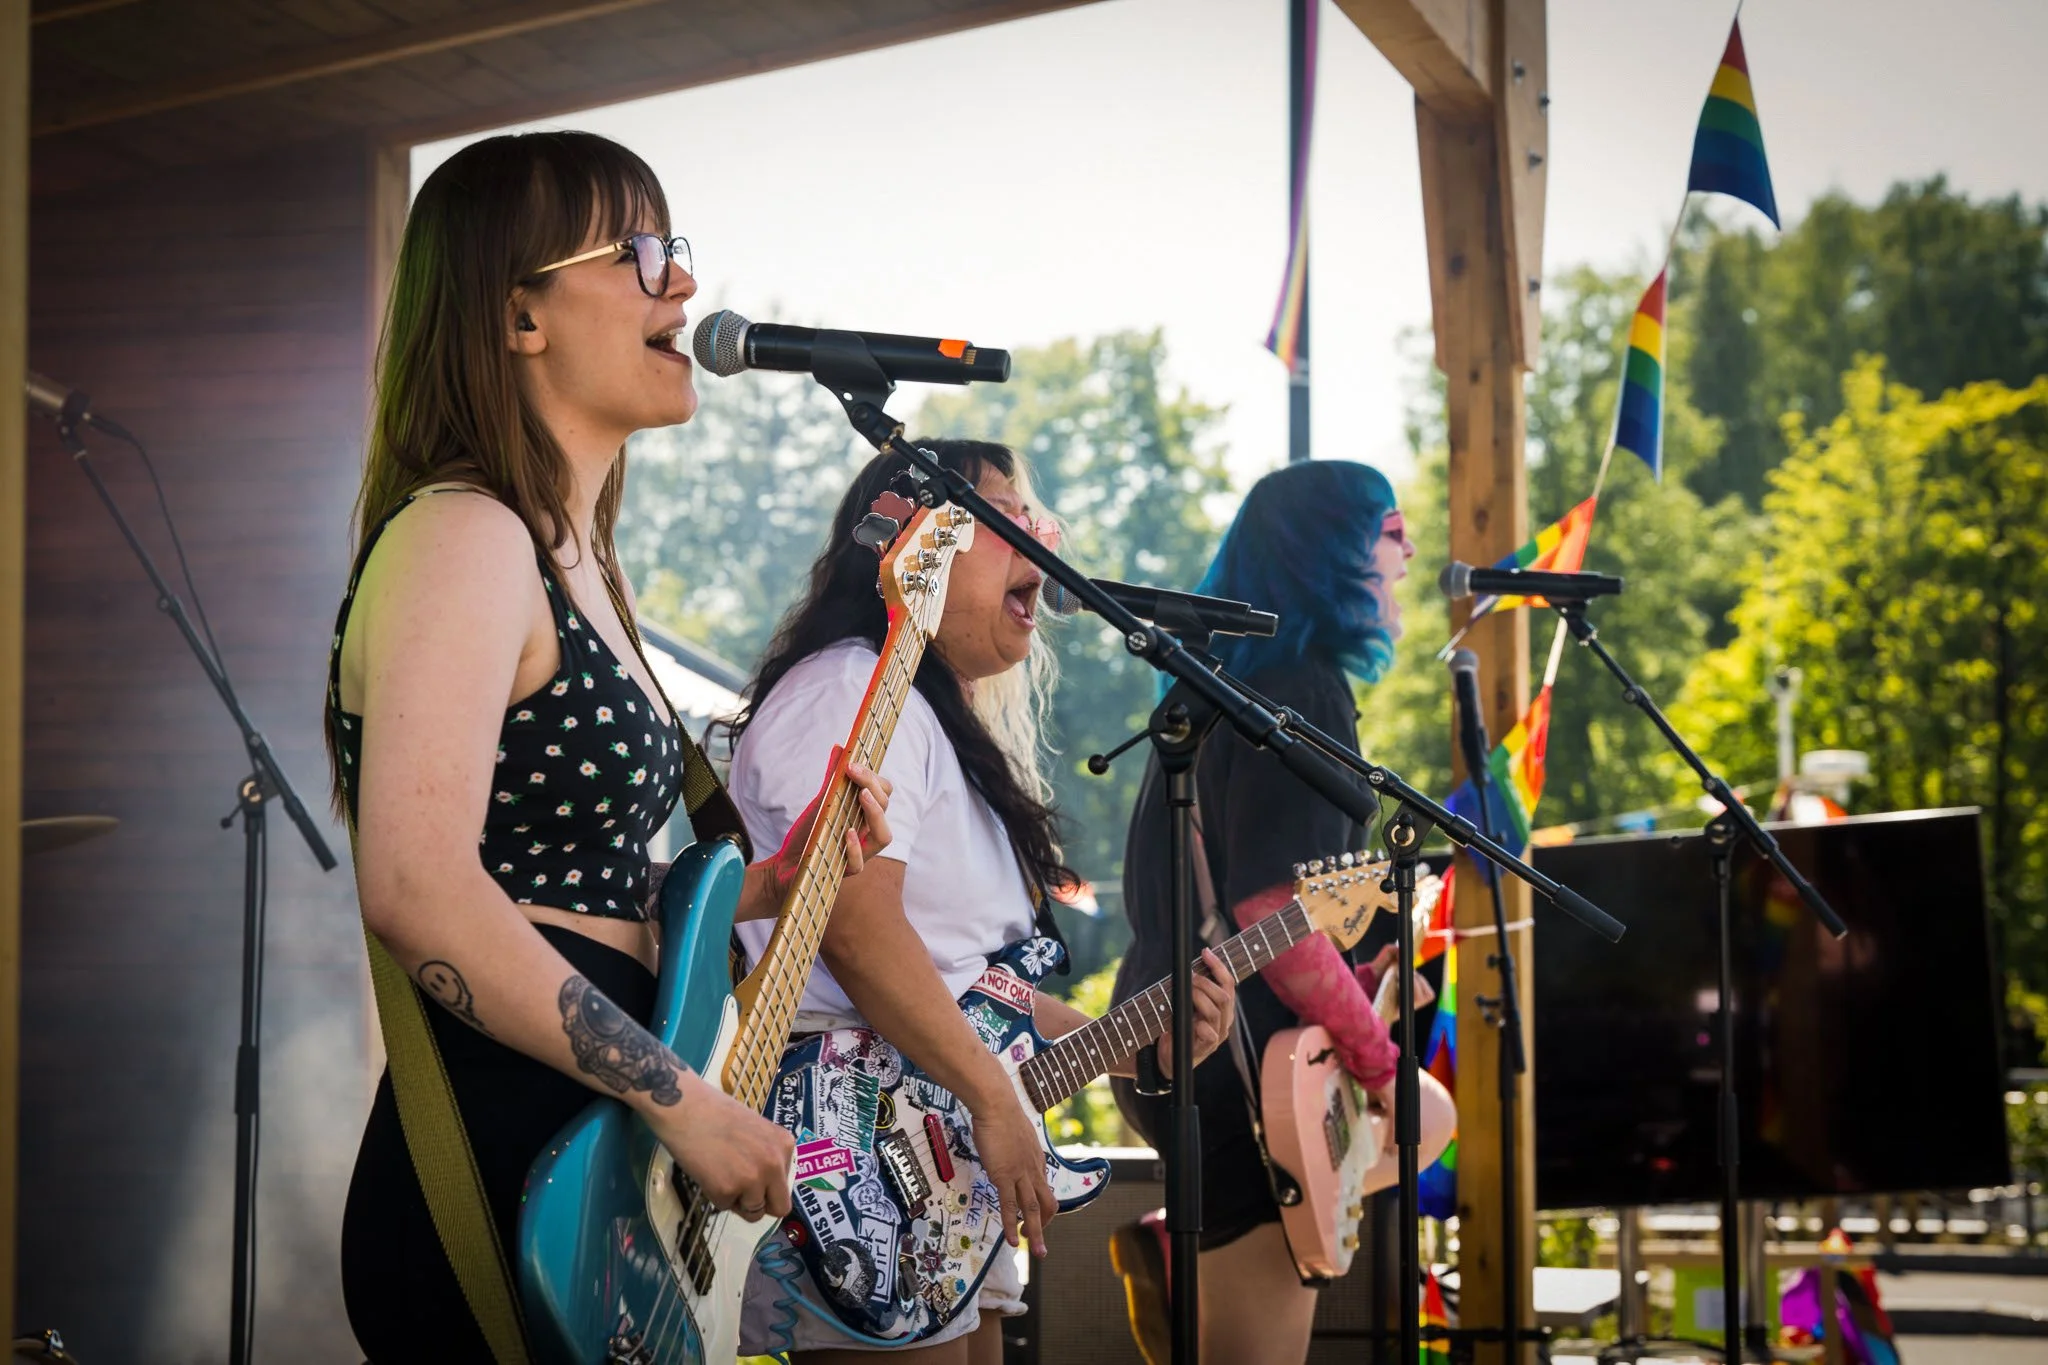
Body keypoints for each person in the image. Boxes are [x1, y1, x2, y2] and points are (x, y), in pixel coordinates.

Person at [325, 130, 892, 1361]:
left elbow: (558, 874)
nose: (680, 284)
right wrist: (681, 1100)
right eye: (638, 253)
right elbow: (418, 885)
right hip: (513, 1151)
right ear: (519, 315)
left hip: (595, 1151)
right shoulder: (463, 536)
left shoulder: (571, 558)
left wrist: (767, 889)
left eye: (673, 250)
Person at [725, 439, 1239, 1363]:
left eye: (1036, 523)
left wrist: (1136, 1041)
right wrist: (993, 1100)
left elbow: (972, 983)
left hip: (939, 1165)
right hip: (861, 1157)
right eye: (1004, 523)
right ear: (911, 546)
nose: (1037, 546)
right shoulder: (851, 687)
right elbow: (849, 923)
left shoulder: (927, 720)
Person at [1110, 459, 1456, 1365]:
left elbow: (1260, 894)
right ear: (1333, 549)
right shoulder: (1302, 691)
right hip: (1245, 1064)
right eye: (1390, 528)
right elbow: (1274, 909)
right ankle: (1191, 1259)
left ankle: (1181, 1251)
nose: (1410, 548)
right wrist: (1377, 1059)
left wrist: (1359, 975)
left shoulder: (1211, 684)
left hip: (1166, 1031)